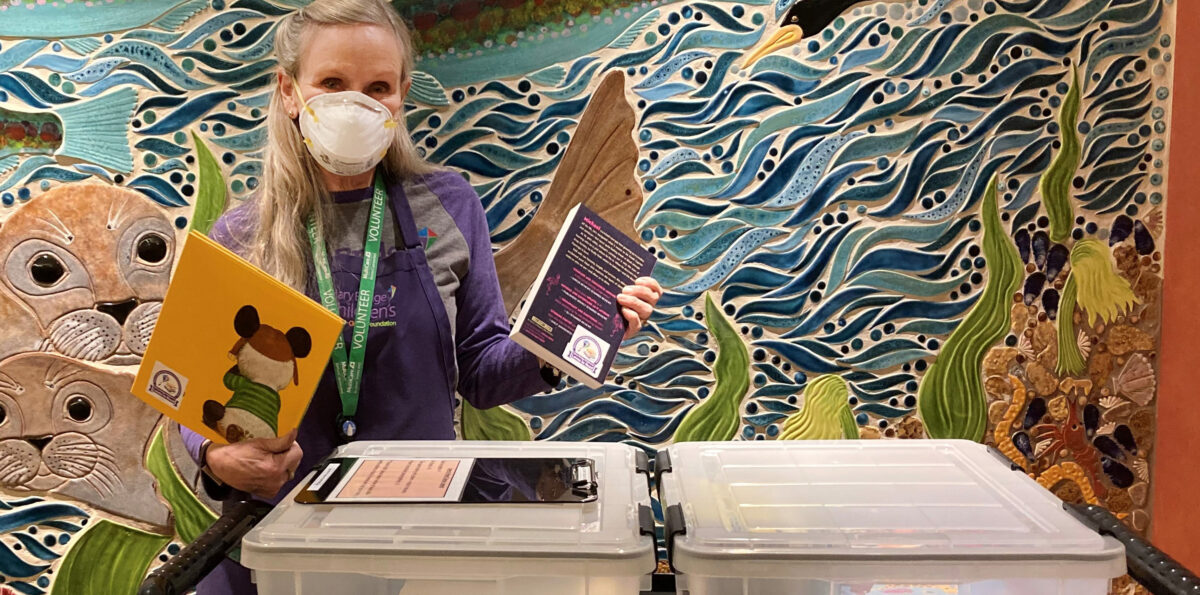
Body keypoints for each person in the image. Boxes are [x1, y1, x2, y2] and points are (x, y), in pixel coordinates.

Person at [177, 0, 662, 592]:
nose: (355, 102)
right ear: (288, 90)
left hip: (421, 528)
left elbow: (481, 372)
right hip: (280, 539)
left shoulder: (450, 204)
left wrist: (567, 334)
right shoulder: (236, 236)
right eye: (331, 83)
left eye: (378, 86)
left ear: (402, 94)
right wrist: (215, 456)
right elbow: (198, 399)